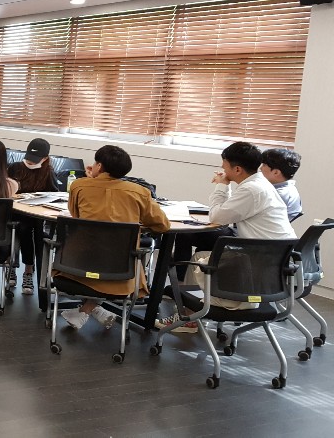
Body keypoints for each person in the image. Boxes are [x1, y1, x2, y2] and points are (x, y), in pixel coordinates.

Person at [159, 142, 297, 331]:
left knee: (199, 259)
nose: (223, 170)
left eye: (225, 167)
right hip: (272, 268)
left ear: (237, 169)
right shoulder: (259, 185)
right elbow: (229, 211)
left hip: (254, 268)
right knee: (200, 256)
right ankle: (191, 315)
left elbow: (217, 216)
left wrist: (222, 185)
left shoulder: (251, 190)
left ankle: (190, 318)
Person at [59, 145, 170, 330]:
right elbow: (163, 225)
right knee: (118, 257)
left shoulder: (79, 185)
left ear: (99, 166)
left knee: (94, 255)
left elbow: (76, 215)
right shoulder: (139, 192)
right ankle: (92, 308)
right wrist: (135, 226)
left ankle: (89, 308)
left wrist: (90, 180)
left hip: (76, 264)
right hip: (121, 270)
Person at [8, 138, 57, 295]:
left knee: (28, 228)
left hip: (35, 214)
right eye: (29, 157)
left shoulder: (48, 172)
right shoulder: (15, 168)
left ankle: (28, 271)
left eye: (35, 159)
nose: (30, 162)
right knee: (18, 227)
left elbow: (55, 195)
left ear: (45, 158)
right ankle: (12, 267)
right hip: (13, 212)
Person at [261, 148, 303, 221]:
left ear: (276, 172)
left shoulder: (278, 194)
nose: (260, 168)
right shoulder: (289, 189)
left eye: (264, 165)